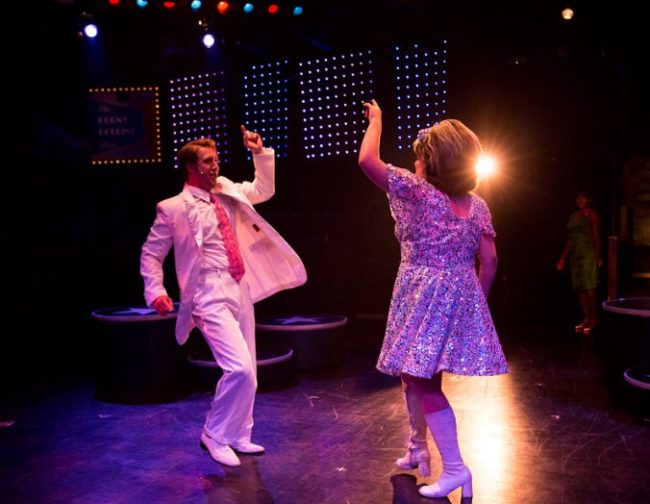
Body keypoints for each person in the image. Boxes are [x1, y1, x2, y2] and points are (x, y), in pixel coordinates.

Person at [358, 99, 508, 500]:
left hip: (422, 293)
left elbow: (367, 160)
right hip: (455, 294)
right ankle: (417, 447)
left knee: (423, 381)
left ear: (431, 159)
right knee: (416, 374)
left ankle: (456, 468)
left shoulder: (419, 192)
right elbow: (490, 262)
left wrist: (377, 119)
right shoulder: (478, 206)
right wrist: (474, 304)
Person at [140, 127, 307, 467]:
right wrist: (155, 290)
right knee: (240, 368)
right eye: (207, 161)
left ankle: (238, 434)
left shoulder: (227, 189)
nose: (215, 166)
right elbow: (150, 254)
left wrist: (259, 154)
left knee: (250, 371)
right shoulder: (173, 208)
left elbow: (264, 189)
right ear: (190, 167)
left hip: (238, 286)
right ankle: (214, 434)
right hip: (206, 293)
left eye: (215, 160)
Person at [556, 191, 602, 333]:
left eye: (583, 197)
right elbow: (570, 239)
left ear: (588, 199)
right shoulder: (573, 216)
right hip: (576, 255)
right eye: (578, 198)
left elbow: (596, 236)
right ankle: (586, 318)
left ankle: (594, 319)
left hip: (588, 253)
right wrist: (563, 258)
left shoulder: (593, 215)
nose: (580, 200)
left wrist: (598, 256)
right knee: (579, 288)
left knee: (589, 286)